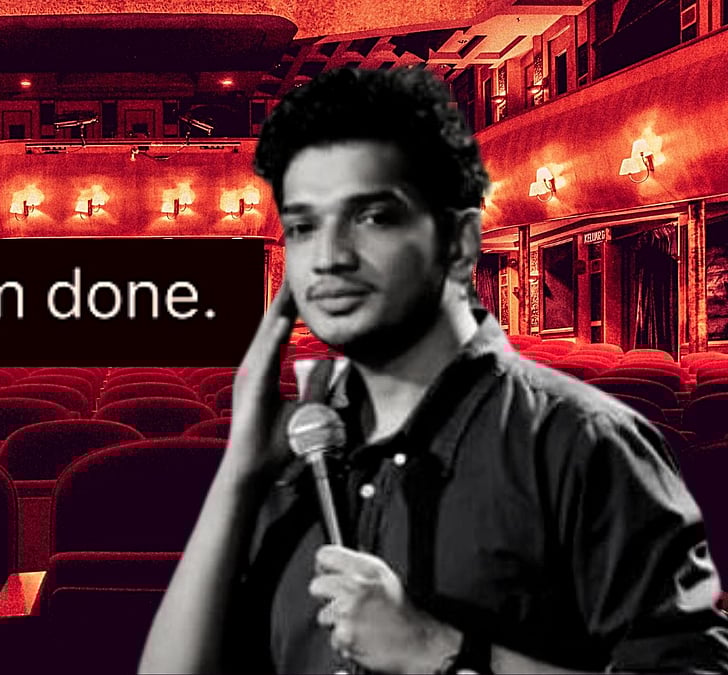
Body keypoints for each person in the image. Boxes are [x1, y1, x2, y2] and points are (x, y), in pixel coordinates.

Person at [139, 67, 728, 674]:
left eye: (373, 217)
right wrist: (238, 472)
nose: (328, 256)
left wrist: (436, 650)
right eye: (303, 226)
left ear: (460, 241)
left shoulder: (585, 443)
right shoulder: (295, 449)